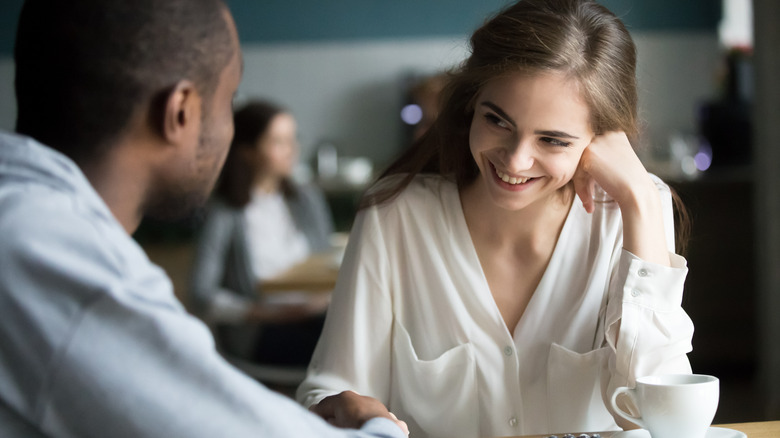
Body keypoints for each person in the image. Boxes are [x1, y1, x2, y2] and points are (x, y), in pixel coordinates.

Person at [0, 1, 407, 437]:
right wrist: (382, 428)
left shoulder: (24, 215)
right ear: (180, 112)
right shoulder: (61, 261)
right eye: (228, 100)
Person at [297, 0, 694, 437]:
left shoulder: (631, 212)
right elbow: (331, 393)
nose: (516, 161)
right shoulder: (395, 217)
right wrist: (354, 413)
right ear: (471, 104)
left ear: (599, 140)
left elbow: (666, 416)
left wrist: (638, 197)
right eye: (497, 120)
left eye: (553, 140)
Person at [190, 100, 334, 366]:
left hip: (316, 317)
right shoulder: (225, 211)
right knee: (343, 352)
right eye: (278, 142)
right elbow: (201, 293)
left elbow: (326, 267)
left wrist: (320, 302)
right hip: (260, 330)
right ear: (247, 151)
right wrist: (270, 314)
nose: (291, 151)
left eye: (293, 140)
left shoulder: (307, 200)